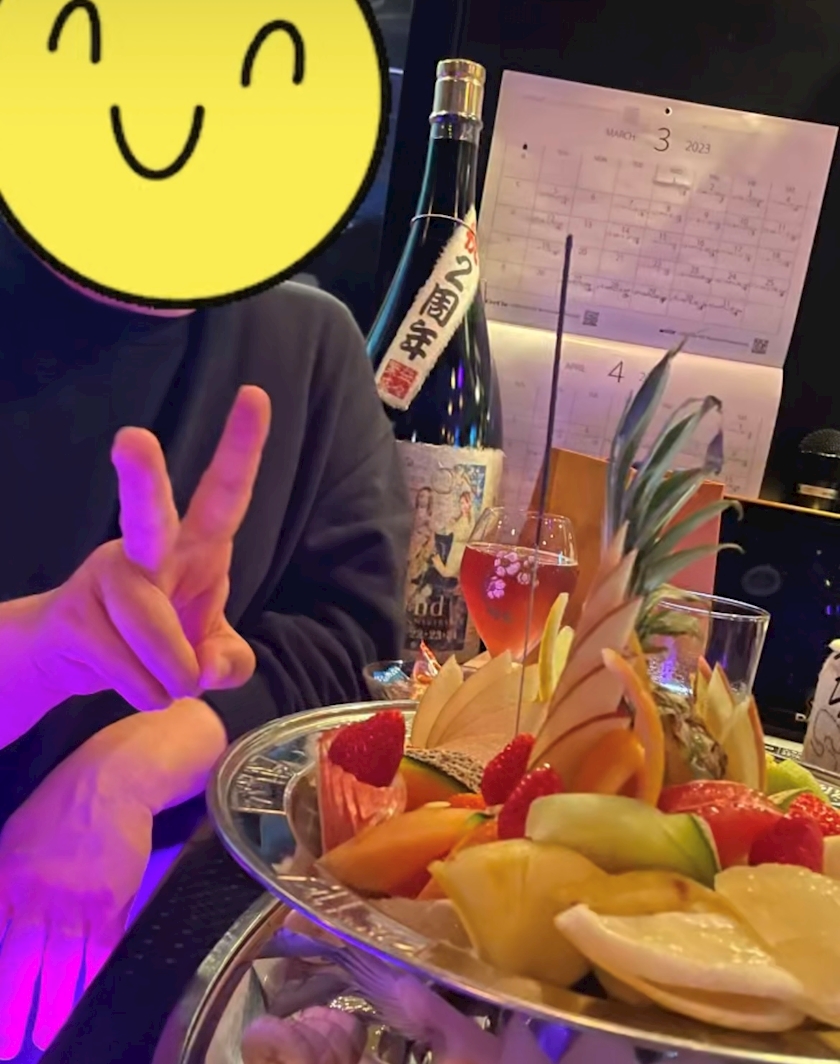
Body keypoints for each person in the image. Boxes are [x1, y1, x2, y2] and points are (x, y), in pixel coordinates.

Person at [0, 218, 411, 1058]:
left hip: (159, 949)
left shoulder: (308, 343)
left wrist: (121, 775)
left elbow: (351, 648)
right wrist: (45, 647)